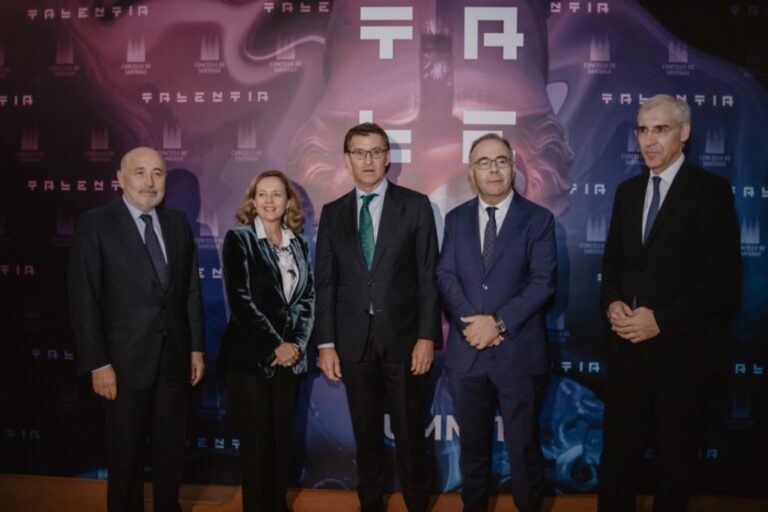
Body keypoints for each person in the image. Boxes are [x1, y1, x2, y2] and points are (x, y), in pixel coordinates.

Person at [598, 94, 742, 512]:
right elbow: (612, 263)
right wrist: (612, 303)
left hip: (682, 355)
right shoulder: (627, 192)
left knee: (674, 466)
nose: (648, 140)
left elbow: (724, 281)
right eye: (642, 130)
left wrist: (661, 320)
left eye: (660, 129)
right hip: (626, 351)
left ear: (685, 132)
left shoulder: (710, 191)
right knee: (617, 462)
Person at [68, 147, 206, 512]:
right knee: (125, 457)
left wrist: (196, 349)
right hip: (122, 364)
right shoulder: (96, 224)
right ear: (120, 179)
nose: (149, 182)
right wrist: (98, 363)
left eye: (158, 173)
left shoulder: (177, 223)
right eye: (140, 172)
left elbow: (190, 291)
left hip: (174, 360)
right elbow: (84, 298)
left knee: (170, 453)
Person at [313, 122, 442, 512]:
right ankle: (370, 503)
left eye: (375, 151)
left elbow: (428, 277)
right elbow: (326, 283)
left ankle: (417, 503)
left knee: (410, 434)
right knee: (365, 434)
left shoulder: (416, 205)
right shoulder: (332, 213)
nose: (368, 160)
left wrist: (426, 337)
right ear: (347, 160)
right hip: (353, 342)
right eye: (359, 152)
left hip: (405, 341)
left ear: (387, 157)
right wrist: (326, 343)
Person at [436, 133, 556, 512]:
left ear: (513, 168)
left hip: (518, 354)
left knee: (523, 449)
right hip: (467, 353)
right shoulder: (456, 219)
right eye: (484, 162)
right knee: (472, 451)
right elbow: (445, 276)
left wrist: (498, 324)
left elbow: (542, 283)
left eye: (501, 160)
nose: (493, 169)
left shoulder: (538, 219)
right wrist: (474, 326)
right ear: (471, 172)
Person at [217, 170, 315, 512]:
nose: (269, 201)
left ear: (288, 202)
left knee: (280, 442)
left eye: (277, 194)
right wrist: (276, 345)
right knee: (256, 446)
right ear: (253, 200)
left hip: (290, 360)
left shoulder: (298, 243)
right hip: (250, 358)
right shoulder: (239, 239)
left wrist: (296, 344)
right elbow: (240, 300)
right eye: (262, 194)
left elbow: (307, 298)